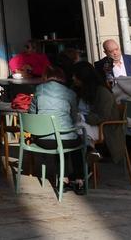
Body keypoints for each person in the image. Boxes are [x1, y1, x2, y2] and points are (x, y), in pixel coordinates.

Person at [29, 65, 87, 195]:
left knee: (57, 138)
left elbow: (32, 114)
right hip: (66, 140)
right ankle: (79, 180)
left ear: (46, 77)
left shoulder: (38, 90)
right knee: (74, 141)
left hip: (44, 140)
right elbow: (73, 117)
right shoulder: (70, 93)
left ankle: (63, 179)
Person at [69, 61, 124, 163]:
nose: (73, 78)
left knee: (79, 127)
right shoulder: (77, 90)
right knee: (74, 128)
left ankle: (88, 154)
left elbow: (103, 117)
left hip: (102, 127)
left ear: (83, 76)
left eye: (75, 76)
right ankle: (89, 152)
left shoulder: (102, 92)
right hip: (83, 125)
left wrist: (83, 117)